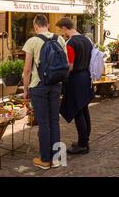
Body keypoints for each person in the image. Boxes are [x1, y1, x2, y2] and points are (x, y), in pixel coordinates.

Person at [23, 14, 67, 169]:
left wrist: (25, 89)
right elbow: (65, 63)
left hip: (39, 86)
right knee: (54, 121)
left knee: (43, 124)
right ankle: (57, 159)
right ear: (47, 25)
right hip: (55, 84)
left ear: (36, 27)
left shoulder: (32, 41)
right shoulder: (60, 39)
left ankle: (45, 160)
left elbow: (27, 70)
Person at [56, 17, 94, 155]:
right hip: (86, 76)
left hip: (76, 79)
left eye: (61, 30)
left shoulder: (70, 43)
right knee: (84, 109)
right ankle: (85, 140)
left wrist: (61, 75)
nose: (62, 33)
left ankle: (83, 145)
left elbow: (70, 66)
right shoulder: (87, 40)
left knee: (77, 111)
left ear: (65, 28)